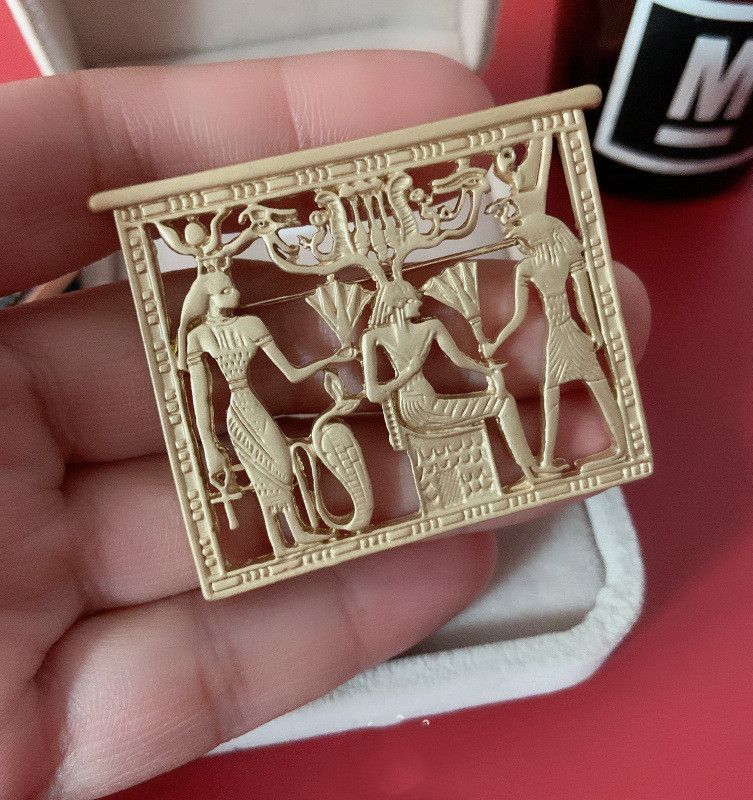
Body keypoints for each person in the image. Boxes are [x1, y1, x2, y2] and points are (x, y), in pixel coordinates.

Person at [0, 52, 649, 799]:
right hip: (333, 410)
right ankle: (295, 527)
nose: (406, 299)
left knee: (500, 399)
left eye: (405, 293)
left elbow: (326, 365)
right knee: (278, 470)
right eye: (216, 285)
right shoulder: (232, 337)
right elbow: (353, 382)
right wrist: (346, 381)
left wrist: (448, 362)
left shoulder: (397, 324)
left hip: (386, 396)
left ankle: (531, 463)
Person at [178, 269, 352, 554]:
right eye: (224, 291)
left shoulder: (251, 324)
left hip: (254, 407)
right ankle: (280, 544)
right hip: (237, 413)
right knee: (261, 476)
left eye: (232, 287)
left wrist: (330, 359)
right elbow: (199, 397)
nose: (235, 293)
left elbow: (291, 373)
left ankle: (297, 531)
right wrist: (208, 445)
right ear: (207, 298)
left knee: (283, 466)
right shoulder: (199, 336)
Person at [483, 213, 628, 474]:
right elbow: (582, 301)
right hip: (565, 333)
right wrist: (594, 331)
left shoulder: (530, 267)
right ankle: (613, 446)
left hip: (562, 334)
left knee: (560, 392)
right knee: (588, 388)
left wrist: (496, 343)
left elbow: (520, 316)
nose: (520, 243)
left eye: (522, 237)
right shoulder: (553, 261)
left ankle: (557, 457)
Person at [361, 279, 538, 483]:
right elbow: (374, 394)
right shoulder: (373, 337)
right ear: (399, 303)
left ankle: (530, 470)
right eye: (413, 299)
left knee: (504, 400)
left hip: (424, 404)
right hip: (420, 409)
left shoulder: (430, 326)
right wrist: (409, 372)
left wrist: (488, 370)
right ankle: (530, 470)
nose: (419, 302)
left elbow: (459, 359)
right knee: (504, 402)